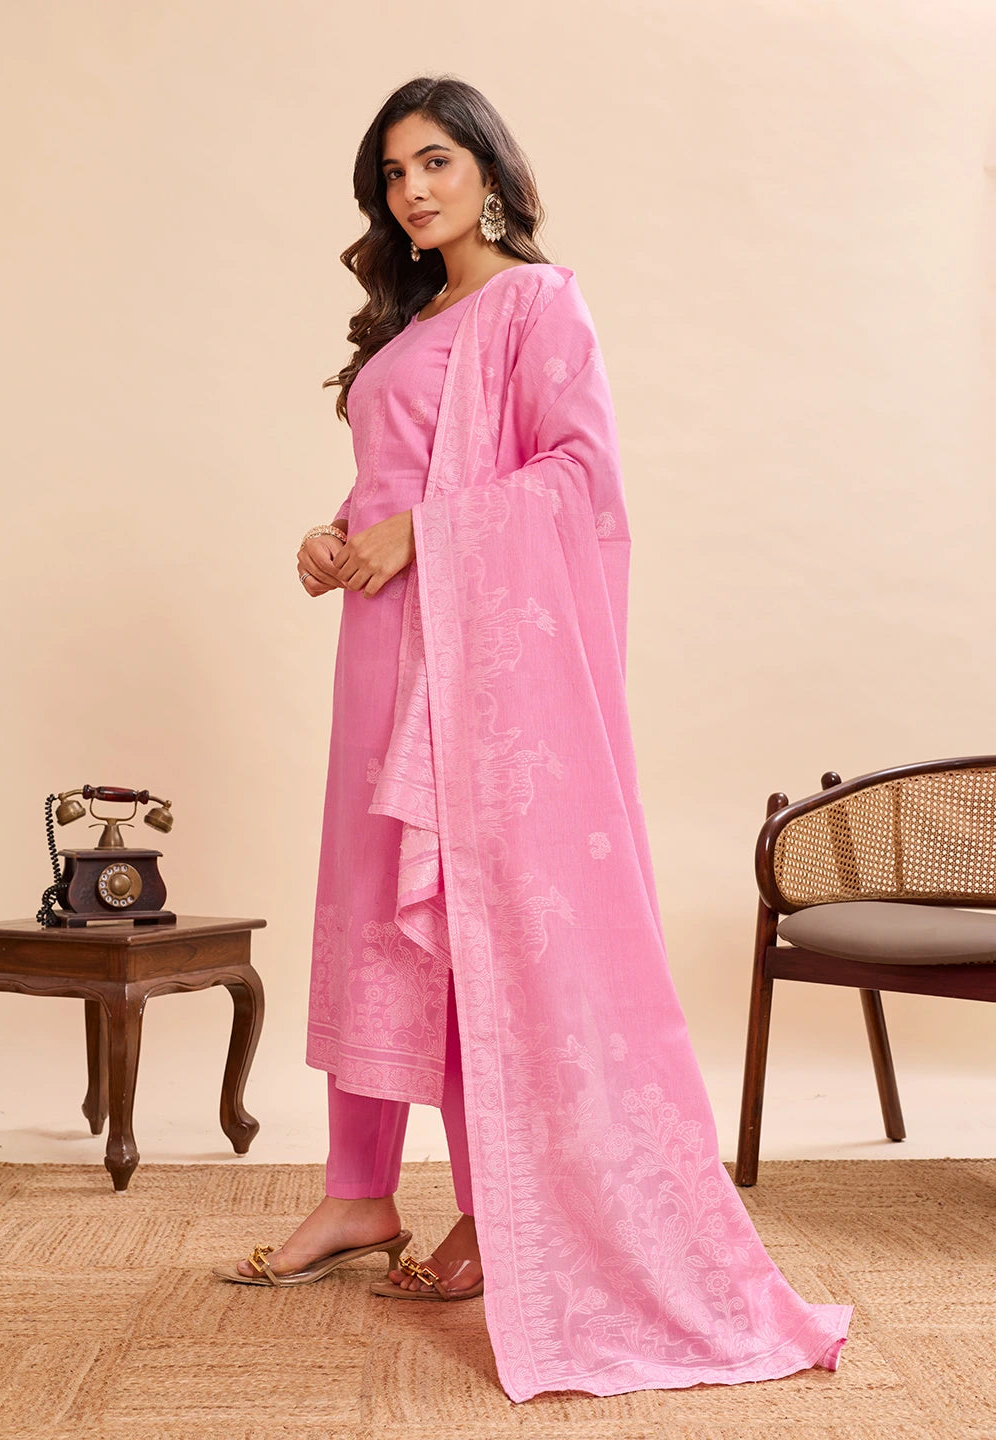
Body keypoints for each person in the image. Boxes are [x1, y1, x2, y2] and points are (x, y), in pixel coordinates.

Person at [214, 75, 853, 1404]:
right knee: (376, 913)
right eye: (393, 174)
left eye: (435, 161)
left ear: (489, 169)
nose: (413, 190)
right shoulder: (412, 321)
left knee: (463, 919)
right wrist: (338, 532)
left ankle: (497, 1209)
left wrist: (423, 539)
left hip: (475, 663)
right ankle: (356, 1195)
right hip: (385, 650)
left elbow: (578, 478)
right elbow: (400, 472)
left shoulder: (536, 304)